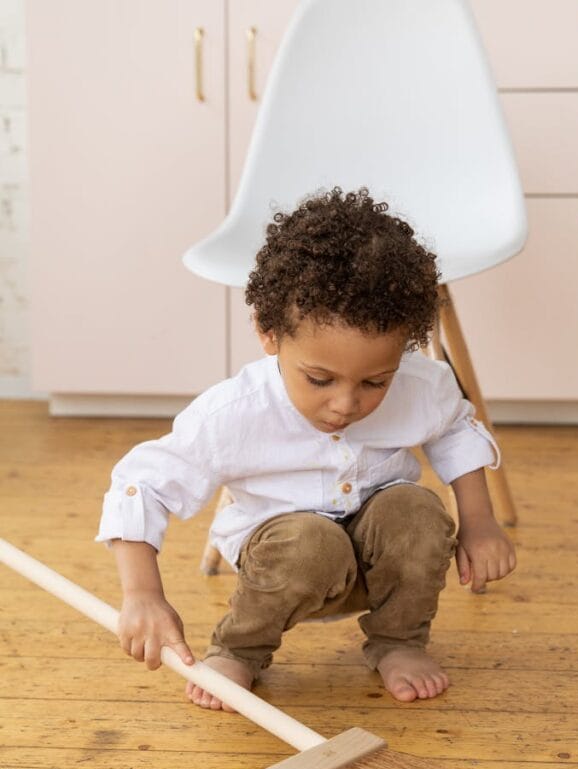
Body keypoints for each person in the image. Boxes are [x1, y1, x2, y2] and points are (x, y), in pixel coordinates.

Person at [96, 187, 515, 708]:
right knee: (311, 543)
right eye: (320, 379)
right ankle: (240, 650)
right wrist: (142, 594)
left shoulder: (421, 384)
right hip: (286, 564)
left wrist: (479, 521)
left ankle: (399, 641)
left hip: (382, 562)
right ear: (269, 334)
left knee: (417, 511)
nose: (346, 404)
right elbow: (142, 484)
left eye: (374, 383)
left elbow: (455, 428)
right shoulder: (232, 414)